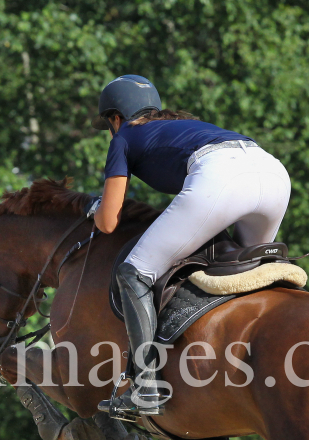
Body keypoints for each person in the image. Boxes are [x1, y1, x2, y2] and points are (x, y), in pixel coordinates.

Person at [89, 74, 292, 419]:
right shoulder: (182, 124)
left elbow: (108, 222)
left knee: (133, 272)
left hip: (222, 177)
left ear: (116, 117)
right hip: (274, 174)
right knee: (243, 273)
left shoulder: (124, 137)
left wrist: (93, 208)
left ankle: (145, 385)